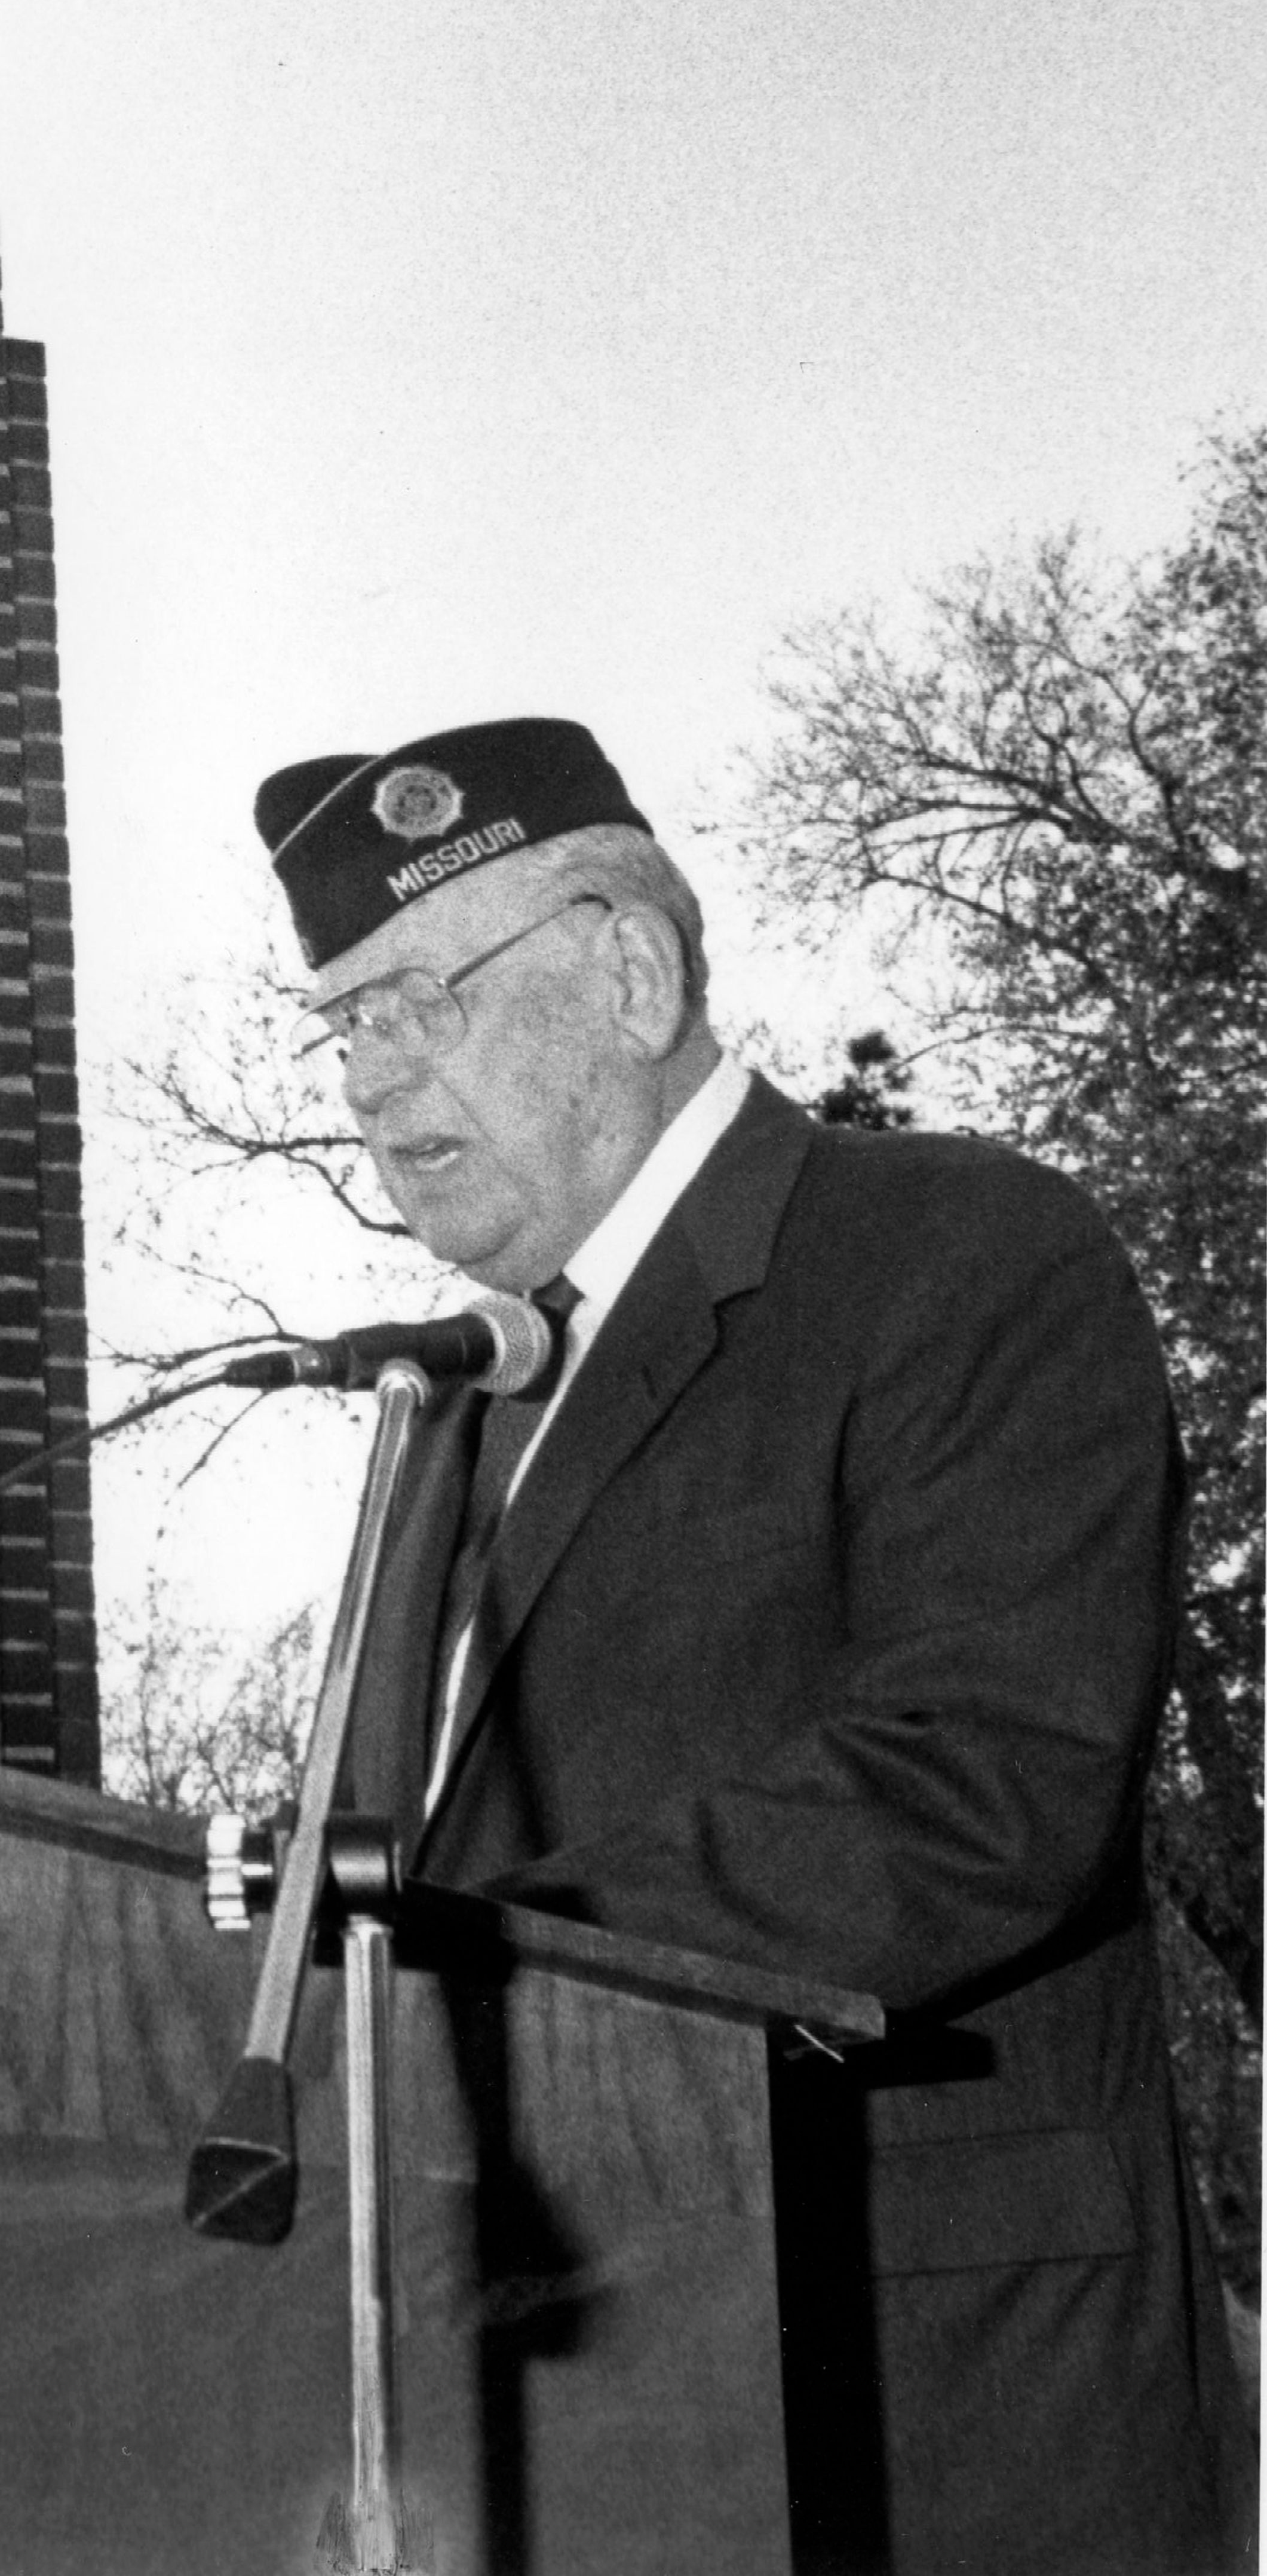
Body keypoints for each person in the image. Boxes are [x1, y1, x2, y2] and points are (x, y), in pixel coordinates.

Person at [254, 715, 1251, 2576]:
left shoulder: (958, 1255)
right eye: (344, 1029)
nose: (373, 1084)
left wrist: (472, 1974)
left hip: (923, 2417)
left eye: (419, 1002)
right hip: (549, 2427)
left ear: (627, 973)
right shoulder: (445, 1413)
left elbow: (986, 1783)